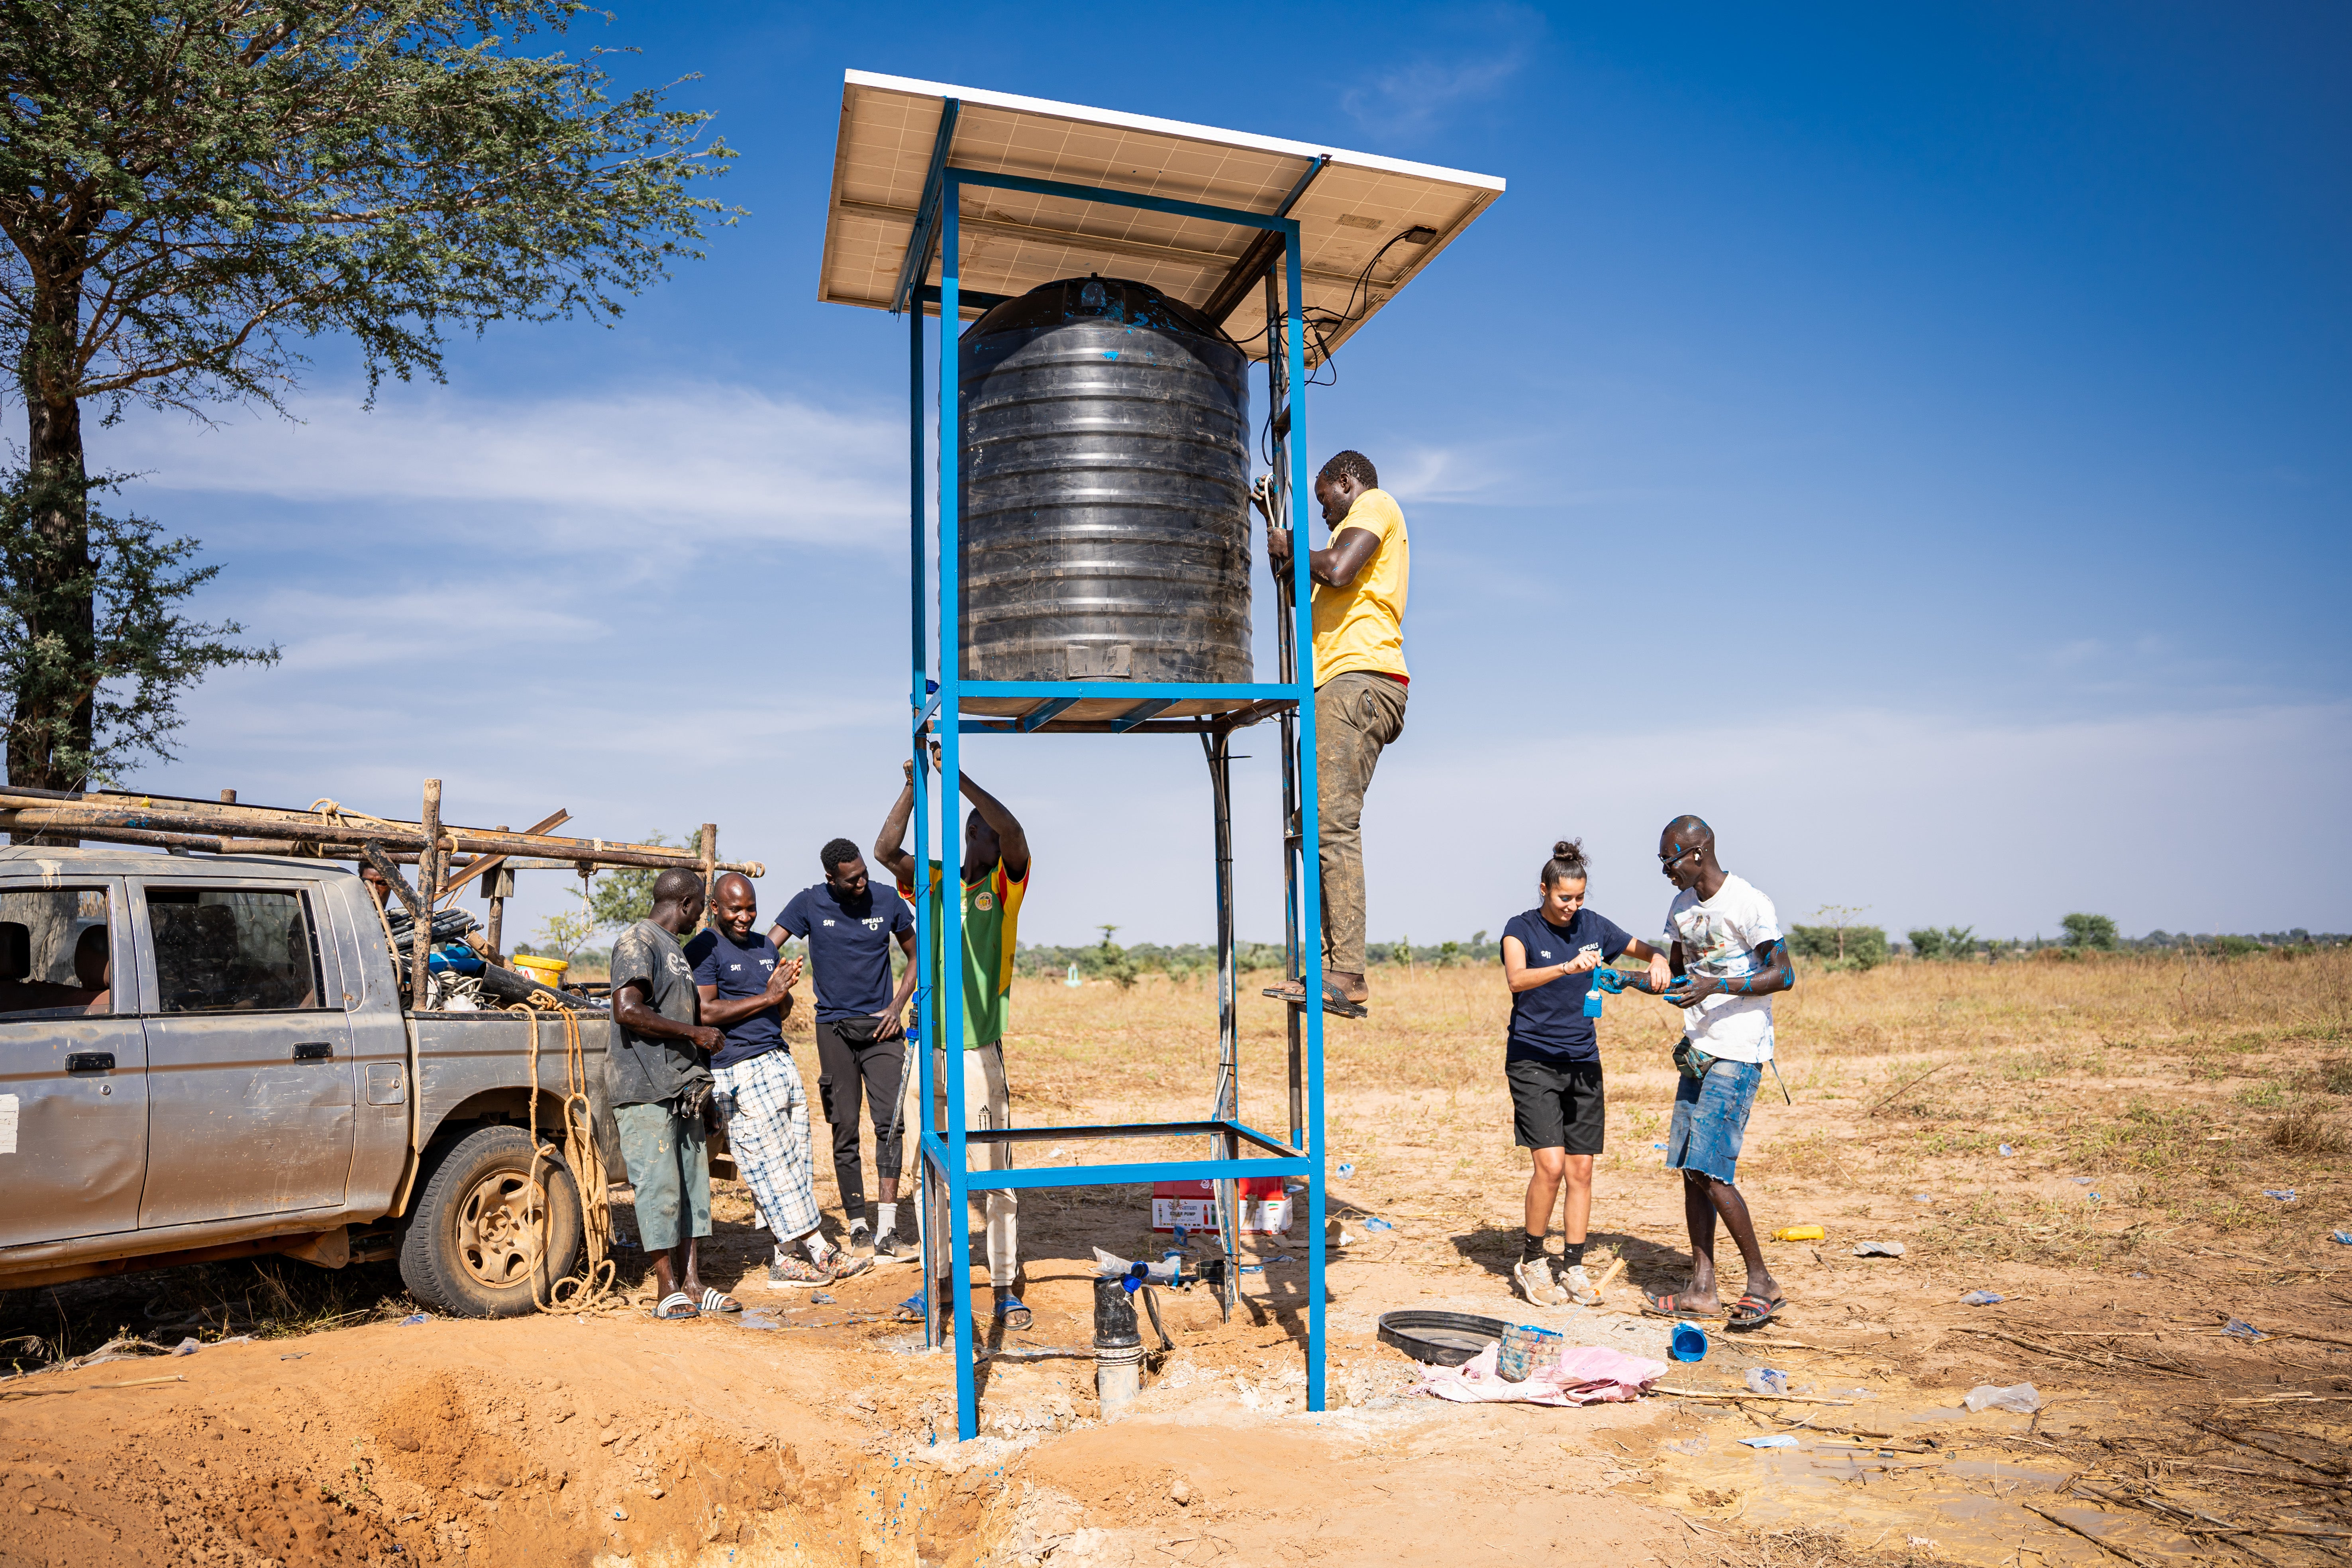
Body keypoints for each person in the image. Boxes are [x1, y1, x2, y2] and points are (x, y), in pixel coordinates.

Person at [1594, 816, 1795, 1329]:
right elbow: (1681, 979)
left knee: (1710, 1168)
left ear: (1698, 852)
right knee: (1689, 1168)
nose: (1665, 872)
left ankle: (1761, 1283)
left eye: (1670, 861)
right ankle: (1702, 1288)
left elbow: (1783, 974)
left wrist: (1717, 985)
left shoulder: (1749, 903)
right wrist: (1627, 979)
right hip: (1698, 1049)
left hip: (1738, 1050)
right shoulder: (1682, 908)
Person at [874, 754, 1032, 1330]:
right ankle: (936, 1283)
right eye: (978, 829)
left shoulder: (1004, 886)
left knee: (994, 1172)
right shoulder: (936, 880)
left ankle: (1001, 1285)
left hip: (977, 1049)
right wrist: (915, 785)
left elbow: (1014, 832)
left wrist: (958, 777)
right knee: (929, 1169)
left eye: (990, 832)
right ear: (967, 836)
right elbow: (885, 851)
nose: (988, 838)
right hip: (929, 1049)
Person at [1252, 449, 1408, 1018]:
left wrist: (1294, 545)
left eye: (1324, 500)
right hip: (1334, 688)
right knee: (1313, 822)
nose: (1323, 514)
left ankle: (1346, 972)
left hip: (1360, 680)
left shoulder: (1374, 504)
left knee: (1333, 822)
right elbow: (1302, 582)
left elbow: (1336, 567)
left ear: (1346, 482)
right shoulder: (1338, 535)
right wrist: (1279, 540)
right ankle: (1329, 966)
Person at [1499, 839, 1668, 1307]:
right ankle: (1532, 1259)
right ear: (1543, 889)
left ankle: (1572, 1263)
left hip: (1583, 1062)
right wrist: (1565, 966)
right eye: (1563, 898)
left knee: (1581, 1168)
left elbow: (1644, 947)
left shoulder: (1594, 926)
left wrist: (1656, 958)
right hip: (1533, 1059)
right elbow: (1517, 978)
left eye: (1578, 897)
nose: (1572, 906)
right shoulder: (1520, 929)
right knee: (1549, 1166)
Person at [689, 872, 869, 1287]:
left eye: (751, 908)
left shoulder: (765, 945)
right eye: (735, 908)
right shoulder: (704, 948)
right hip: (737, 1068)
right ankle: (820, 1249)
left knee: (794, 1162)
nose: (745, 916)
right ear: (715, 908)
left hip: (779, 1060)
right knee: (768, 1162)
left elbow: (779, 1011)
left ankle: (784, 1258)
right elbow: (706, 1013)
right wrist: (768, 996)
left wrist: (782, 991)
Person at [772, 839, 919, 1259]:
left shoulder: (888, 899)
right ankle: (858, 1225)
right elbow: (770, 945)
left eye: (863, 875)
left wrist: (896, 1005)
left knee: (890, 1124)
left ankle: (888, 1229)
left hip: (882, 1028)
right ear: (830, 879)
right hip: (833, 1029)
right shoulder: (809, 902)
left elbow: (916, 954)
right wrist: (773, 976)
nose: (861, 883)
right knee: (844, 1127)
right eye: (851, 879)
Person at [608, 869, 728, 1320]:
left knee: (693, 1186)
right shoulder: (638, 941)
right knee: (658, 1187)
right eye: (701, 906)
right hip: (645, 1087)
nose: (701, 914)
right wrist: (696, 1032)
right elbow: (627, 1010)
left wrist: (705, 1088)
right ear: (687, 903)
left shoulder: (674, 949)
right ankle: (666, 1287)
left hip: (683, 1088)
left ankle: (694, 1282)